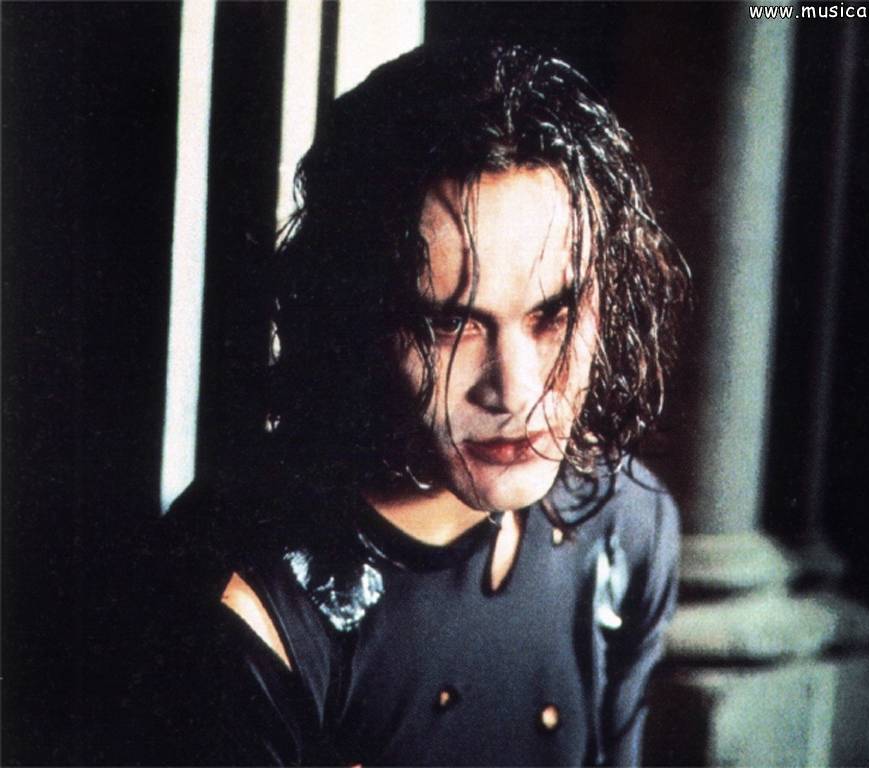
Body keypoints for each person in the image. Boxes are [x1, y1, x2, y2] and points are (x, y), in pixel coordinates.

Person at [142, 41, 688, 767]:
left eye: (554, 315)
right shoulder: (248, 602)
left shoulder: (625, 527)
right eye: (451, 323)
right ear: (355, 312)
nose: (516, 391)